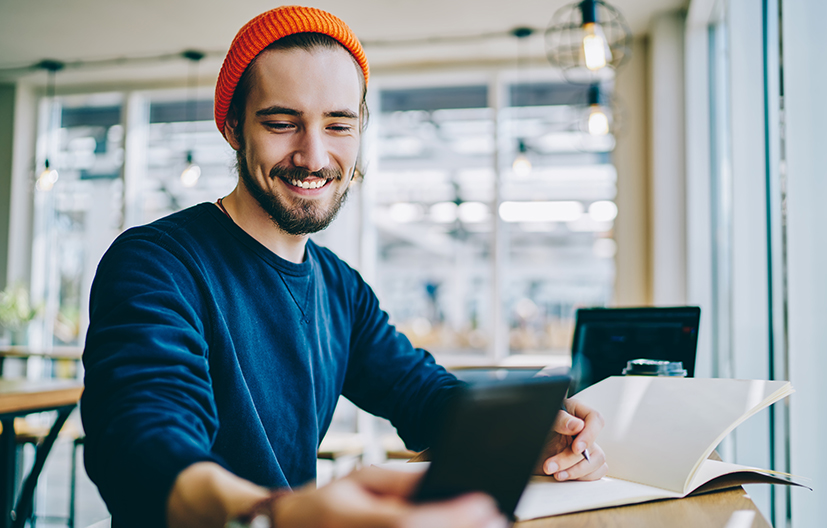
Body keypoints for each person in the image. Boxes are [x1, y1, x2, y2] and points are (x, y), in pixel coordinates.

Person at [80, 6, 607, 528]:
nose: (313, 157)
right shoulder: (157, 263)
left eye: (338, 125)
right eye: (282, 123)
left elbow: (421, 393)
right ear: (234, 127)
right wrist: (269, 515)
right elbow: (141, 441)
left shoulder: (340, 288)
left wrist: (531, 436)